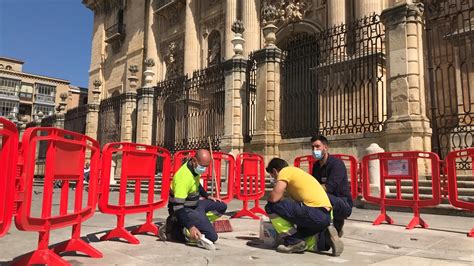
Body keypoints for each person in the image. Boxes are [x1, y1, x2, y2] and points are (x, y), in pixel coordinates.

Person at [265, 158, 344, 256]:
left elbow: (274, 198)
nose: (274, 179)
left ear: (275, 171)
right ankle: (326, 238)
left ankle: (293, 242)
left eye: (273, 176)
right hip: (327, 217)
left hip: (314, 212)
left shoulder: (285, 171)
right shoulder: (299, 173)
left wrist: (273, 194)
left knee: (270, 206)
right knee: (301, 236)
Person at [159, 149, 227, 250]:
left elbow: (197, 184)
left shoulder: (193, 167)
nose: (203, 169)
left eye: (206, 166)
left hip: (196, 204)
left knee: (221, 206)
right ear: (194, 160)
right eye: (202, 166)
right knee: (212, 237)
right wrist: (191, 227)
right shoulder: (183, 178)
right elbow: (178, 207)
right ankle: (175, 229)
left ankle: (198, 221)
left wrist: (207, 196)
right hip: (185, 209)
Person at [311, 135, 353, 237]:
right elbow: (314, 184)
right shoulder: (316, 166)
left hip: (342, 203)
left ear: (325, 148)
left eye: (317, 147)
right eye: (312, 148)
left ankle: (336, 225)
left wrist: (309, 190)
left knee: (316, 196)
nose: (314, 150)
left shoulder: (336, 164)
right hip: (325, 199)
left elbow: (329, 187)